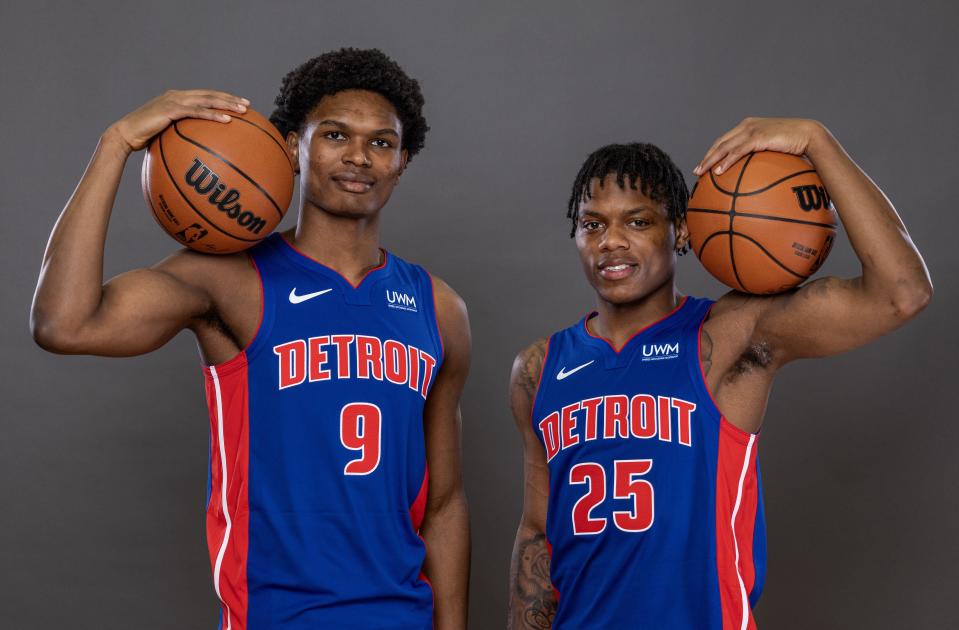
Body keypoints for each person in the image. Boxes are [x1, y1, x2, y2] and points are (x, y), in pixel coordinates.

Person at [31, 48, 470, 630]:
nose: (359, 157)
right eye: (335, 135)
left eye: (381, 142)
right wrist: (115, 144)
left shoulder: (437, 306)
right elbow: (64, 324)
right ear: (292, 146)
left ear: (402, 161)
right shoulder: (229, 279)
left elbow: (442, 504)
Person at [507, 118, 932, 629]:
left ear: (681, 230)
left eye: (637, 222)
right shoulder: (539, 367)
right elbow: (537, 533)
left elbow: (901, 291)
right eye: (592, 224)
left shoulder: (731, 336)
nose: (611, 242)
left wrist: (816, 141)